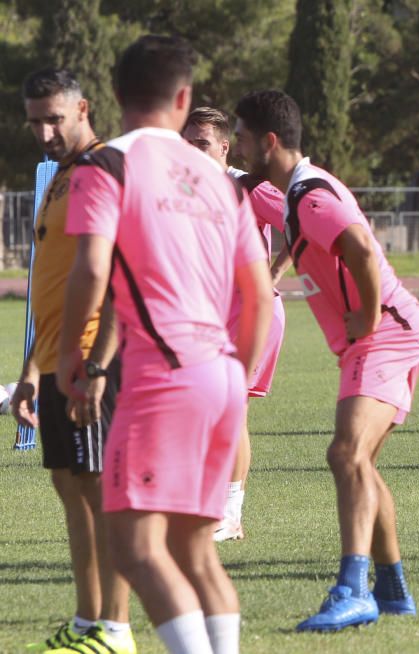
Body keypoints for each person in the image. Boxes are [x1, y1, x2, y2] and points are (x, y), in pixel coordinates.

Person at [57, 35, 273, 653]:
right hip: (223, 373)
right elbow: (257, 296)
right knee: (193, 550)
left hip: (161, 376)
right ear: (183, 99)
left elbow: (91, 270)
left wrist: (73, 356)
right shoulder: (220, 182)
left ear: (116, 97)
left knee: (135, 547)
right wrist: (236, 373)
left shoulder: (107, 165)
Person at [233, 89, 419, 632]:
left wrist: (367, 320)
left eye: (244, 137)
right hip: (385, 335)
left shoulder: (311, 195)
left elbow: (363, 250)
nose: (238, 146)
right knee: (360, 463)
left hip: (384, 334)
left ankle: (352, 589)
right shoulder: (297, 193)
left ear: (269, 141)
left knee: (345, 454)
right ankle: (391, 591)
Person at [15, 68, 135, 654]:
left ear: (83, 109)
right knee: (70, 487)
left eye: (53, 118)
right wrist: (32, 371)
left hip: (92, 362)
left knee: (99, 491)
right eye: (34, 119)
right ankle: (88, 622)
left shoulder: (104, 168)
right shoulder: (62, 176)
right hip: (57, 363)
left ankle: (116, 628)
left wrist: (97, 365)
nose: (43, 131)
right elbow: (52, 280)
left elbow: (118, 272)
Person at [181, 106, 292, 542]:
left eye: (202, 143)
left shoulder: (248, 186)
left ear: (224, 147)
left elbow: (302, 223)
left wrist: (274, 274)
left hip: (252, 315)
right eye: (186, 142)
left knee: (230, 411)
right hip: (207, 321)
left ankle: (230, 513)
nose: (192, 151)